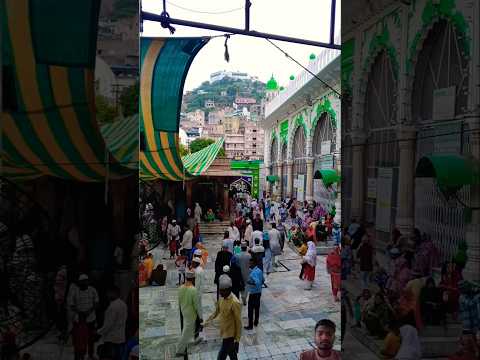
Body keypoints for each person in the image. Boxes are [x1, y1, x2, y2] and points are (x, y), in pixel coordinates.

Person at [204, 274, 242, 360]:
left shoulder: (235, 302)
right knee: (232, 354)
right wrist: (205, 323)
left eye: (222, 291)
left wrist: (237, 340)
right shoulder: (221, 298)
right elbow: (216, 312)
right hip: (223, 331)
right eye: (220, 290)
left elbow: (239, 322)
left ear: (229, 289)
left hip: (230, 335)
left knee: (221, 355)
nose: (220, 293)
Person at [67, 274, 99, 360]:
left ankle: (91, 355)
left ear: (88, 281)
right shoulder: (75, 291)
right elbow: (71, 304)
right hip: (79, 320)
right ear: (79, 282)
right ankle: (78, 357)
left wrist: (89, 311)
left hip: (91, 319)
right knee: (79, 341)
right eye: (82, 281)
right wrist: (79, 312)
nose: (84, 283)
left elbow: (96, 303)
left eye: (86, 281)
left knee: (91, 339)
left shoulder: (93, 290)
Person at [97, 286, 128, 360]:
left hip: (111, 339)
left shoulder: (113, 307)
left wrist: (98, 332)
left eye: (109, 293)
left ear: (114, 293)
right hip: (120, 337)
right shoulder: (123, 304)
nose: (107, 295)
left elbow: (108, 325)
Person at [176, 270, 202, 357]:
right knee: (186, 332)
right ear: (193, 279)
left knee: (188, 329)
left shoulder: (180, 287)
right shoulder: (193, 290)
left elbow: (179, 300)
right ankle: (180, 350)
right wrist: (200, 316)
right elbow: (196, 305)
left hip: (183, 310)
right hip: (190, 313)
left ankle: (195, 338)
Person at [245, 258, 264, 330]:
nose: (249, 264)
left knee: (250, 309)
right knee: (257, 308)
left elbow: (258, 282)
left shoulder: (253, 273)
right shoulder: (259, 270)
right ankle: (256, 321)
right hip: (259, 293)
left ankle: (250, 325)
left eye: (250, 263)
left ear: (254, 263)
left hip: (253, 293)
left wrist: (250, 282)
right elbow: (263, 280)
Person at [192, 257, 205, 342]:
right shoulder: (200, 269)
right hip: (200, 292)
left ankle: (199, 322)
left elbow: (196, 284)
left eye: (193, 262)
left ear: (196, 263)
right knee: (199, 307)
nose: (192, 264)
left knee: (197, 308)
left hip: (197, 292)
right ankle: (201, 321)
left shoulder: (197, 271)